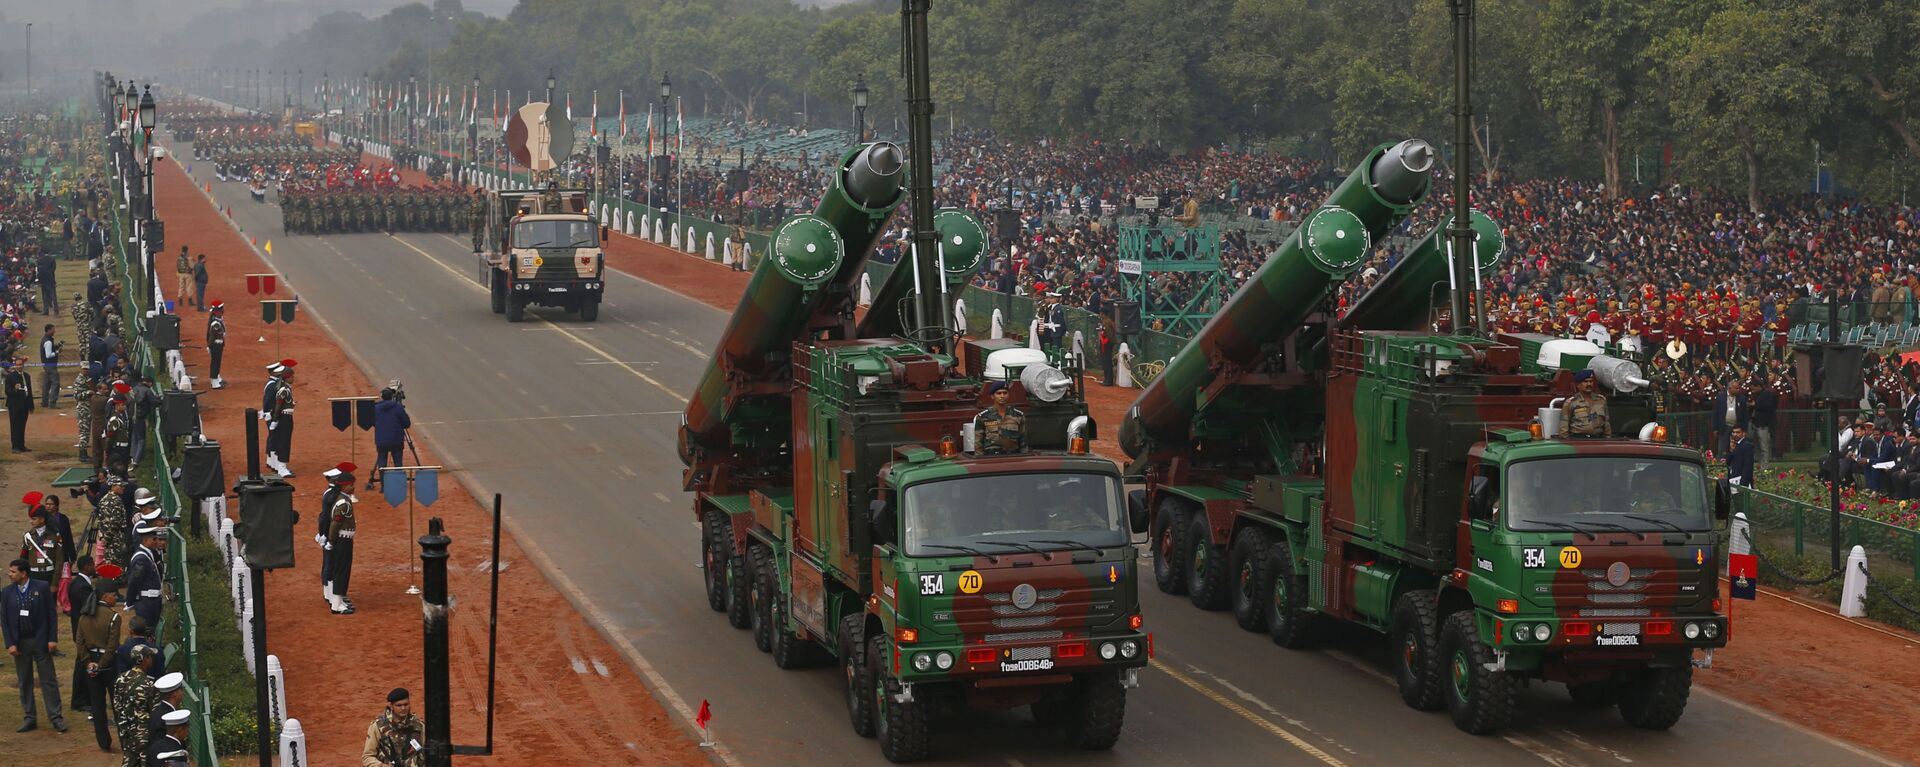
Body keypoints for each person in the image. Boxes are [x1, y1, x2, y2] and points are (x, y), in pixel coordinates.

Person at [3, 558, 66, 733]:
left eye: (13, 571)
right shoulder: (7, 592)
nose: (10, 574)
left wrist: (52, 638)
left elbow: (51, 615)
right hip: (20, 643)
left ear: (23, 573)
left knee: (48, 680)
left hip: (40, 640)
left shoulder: (42, 587)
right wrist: (10, 643)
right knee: (24, 681)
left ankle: (56, 717)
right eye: (10, 571)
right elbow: (5, 621)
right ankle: (30, 717)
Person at [75, 575, 127, 753]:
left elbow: (80, 642)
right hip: (109, 665)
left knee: (97, 707)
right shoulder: (113, 617)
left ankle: (104, 743)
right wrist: (102, 664)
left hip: (91, 665)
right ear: (105, 596)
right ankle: (124, 740)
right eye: (114, 595)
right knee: (117, 705)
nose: (116, 598)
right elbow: (112, 646)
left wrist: (89, 663)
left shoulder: (84, 617)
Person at [112, 644, 159, 766]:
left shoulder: (120, 679)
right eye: (150, 656)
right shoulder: (148, 684)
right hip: (143, 732)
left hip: (125, 729)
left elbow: (117, 706)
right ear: (144, 659)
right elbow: (154, 711)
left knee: (129, 760)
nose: (151, 659)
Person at [318, 463, 354, 605]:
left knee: (332, 565)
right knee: (332, 565)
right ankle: (332, 597)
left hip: (332, 534)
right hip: (332, 535)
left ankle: (332, 595)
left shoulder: (334, 494)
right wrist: (324, 535)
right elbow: (326, 517)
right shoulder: (333, 496)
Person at [363, 687, 424, 767]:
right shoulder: (378, 726)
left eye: (406, 704)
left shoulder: (419, 726)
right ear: (391, 706)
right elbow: (367, 757)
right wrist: (381, 765)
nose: (403, 708)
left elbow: (425, 754)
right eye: (399, 705)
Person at [326, 471, 358, 615]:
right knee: (341, 571)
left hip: (342, 540)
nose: (353, 488)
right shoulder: (343, 503)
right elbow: (335, 524)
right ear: (344, 487)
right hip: (342, 540)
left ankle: (337, 601)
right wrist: (331, 541)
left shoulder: (342, 499)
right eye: (351, 485)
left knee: (341, 569)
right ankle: (337, 605)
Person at [124, 525, 165, 631]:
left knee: (152, 630)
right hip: (147, 603)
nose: (157, 541)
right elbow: (134, 581)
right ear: (146, 540)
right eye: (154, 539)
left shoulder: (148, 553)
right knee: (147, 631)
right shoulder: (141, 558)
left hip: (152, 601)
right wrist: (129, 602)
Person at [263, 359, 297, 478]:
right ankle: (282, 468)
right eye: (291, 377)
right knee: (283, 442)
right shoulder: (283, 389)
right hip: (283, 418)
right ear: (286, 378)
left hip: (281, 417)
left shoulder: (283, 387)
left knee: (278, 441)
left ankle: (277, 465)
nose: (293, 379)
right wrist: (274, 419)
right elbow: (277, 406)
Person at [371, 387, 410, 489]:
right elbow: (406, 423)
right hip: (396, 439)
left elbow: (371, 422)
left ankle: (384, 486)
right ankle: (399, 486)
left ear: (382, 397)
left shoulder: (375, 408)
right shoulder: (397, 407)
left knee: (382, 462)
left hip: (381, 440)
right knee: (398, 463)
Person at [972, 381, 1026, 454]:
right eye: (998, 393)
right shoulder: (983, 417)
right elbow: (978, 443)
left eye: (1005, 393)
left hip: (1013, 457)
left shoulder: (1018, 415)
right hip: (991, 458)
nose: (1002, 396)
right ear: (992, 396)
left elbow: (1023, 441)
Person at [1560, 369, 1610, 437]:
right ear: (1578, 385)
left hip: (1598, 440)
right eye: (1585, 382)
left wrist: (1608, 439)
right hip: (1579, 440)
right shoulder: (1571, 402)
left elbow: (1606, 423)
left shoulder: (1601, 400)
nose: (1589, 384)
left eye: (1591, 381)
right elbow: (1564, 426)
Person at [5, 357, 33, 452]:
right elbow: (7, 391)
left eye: (20, 364)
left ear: (23, 365)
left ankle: (21, 445)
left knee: (22, 426)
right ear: (14, 365)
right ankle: (15, 446)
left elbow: (29, 391)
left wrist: (31, 405)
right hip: (14, 405)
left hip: (24, 405)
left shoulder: (27, 376)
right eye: (17, 365)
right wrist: (15, 389)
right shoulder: (10, 377)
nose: (19, 366)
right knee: (15, 426)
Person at [148, 672, 183, 741]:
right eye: (181, 689)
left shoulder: (158, 711)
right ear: (174, 694)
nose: (182, 692)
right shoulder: (169, 717)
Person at [205, 301, 226, 389]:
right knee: (215, 363)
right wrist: (209, 346)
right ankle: (214, 381)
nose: (223, 311)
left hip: (219, 344)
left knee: (217, 362)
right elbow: (211, 337)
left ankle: (217, 377)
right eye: (221, 310)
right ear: (217, 312)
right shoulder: (215, 324)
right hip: (215, 345)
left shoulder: (218, 320)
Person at [39, 324, 61, 408]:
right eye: (53, 330)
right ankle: (52, 403)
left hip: (46, 365)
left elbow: (49, 349)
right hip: (50, 365)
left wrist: (56, 346)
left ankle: (44, 402)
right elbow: (48, 355)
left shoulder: (46, 339)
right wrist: (57, 352)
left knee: (46, 383)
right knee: (56, 383)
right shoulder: (48, 341)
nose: (54, 331)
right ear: (48, 330)